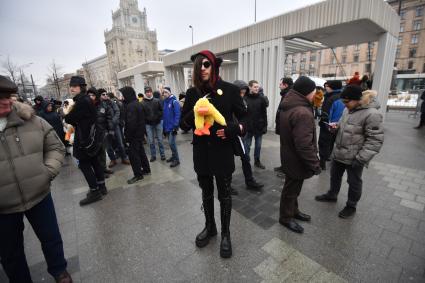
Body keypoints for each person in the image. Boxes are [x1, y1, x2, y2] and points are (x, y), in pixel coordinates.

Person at [0, 75, 72, 283]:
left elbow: (55, 147)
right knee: (10, 252)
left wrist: (46, 173)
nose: (6, 101)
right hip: (3, 208)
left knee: (51, 238)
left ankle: (60, 271)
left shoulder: (32, 120)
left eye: (8, 96)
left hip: (39, 195)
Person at [180, 50, 247, 258]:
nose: (202, 69)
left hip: (222, 151)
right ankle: (210, 227)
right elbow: (183, 123)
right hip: (201, 153)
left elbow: (249, 117)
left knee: (224, 193)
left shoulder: (229, 90)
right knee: (206, 192)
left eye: (206, 65)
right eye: (199, 65)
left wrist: (233, 129)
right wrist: (195, 109)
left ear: (214, 66)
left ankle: (226, 234)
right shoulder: (192, 93)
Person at [315, 86, 384, 218]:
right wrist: (335, 127)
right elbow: (343, 126)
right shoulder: (347, 109)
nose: (344, 105)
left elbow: (375, 140)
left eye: (347, 102)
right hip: (339, 152)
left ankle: (351, 205)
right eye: (343, 102)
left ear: (358, 99)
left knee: (354, 182)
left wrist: (361, 159)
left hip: (355, 157)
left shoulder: (372, 114)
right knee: (334, 176)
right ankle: (332, 195)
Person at [278, 76, 321, 234]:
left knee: (293, 188)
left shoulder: (290, 103)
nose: (315, 94)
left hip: (289, 155)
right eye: (314, 91)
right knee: (291, 190)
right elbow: (304, 145)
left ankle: (293, 211)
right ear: (306, 92)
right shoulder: (302, 111)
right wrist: (314, 164)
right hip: (296, 158)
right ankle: (286, 218)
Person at [65, 76, 106, 206]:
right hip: (91, 137)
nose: (72, 88)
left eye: (75, 86)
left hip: (85, 138)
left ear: (81, 87)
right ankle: (101, 187)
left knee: (84, 164)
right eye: (71, 86)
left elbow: (69, 118)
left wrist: (68, 114)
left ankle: (95, 191)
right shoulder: (87, 99)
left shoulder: (82, 101)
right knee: (94, 161)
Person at [231, 80, 264, 192]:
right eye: (240, 92)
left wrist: (243, 126)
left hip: (239, 135)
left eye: (243, 92)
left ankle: (249, 181)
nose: (242, 94)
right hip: (229, 135)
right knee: (229, 161)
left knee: (245, 158)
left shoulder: (243, 102)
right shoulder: (228, 101)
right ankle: (227, 184)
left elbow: (245, 117)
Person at [120, 86, 151, 184]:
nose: (122, 97)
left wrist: (127, 137)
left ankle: (138, 175)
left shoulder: (131, 106)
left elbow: (131, 124)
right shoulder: (137, 103)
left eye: (123, 94)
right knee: (141, 152)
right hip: (139, 133)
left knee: (133, 155)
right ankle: (146, 169)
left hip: (134, 135)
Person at [87, 87, 114, 179]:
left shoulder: (102, 105)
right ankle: (99, 172)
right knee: (96, 154)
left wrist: (110, 129)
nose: (91, 97)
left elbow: (109, 117)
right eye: (89, 95)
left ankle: (103, 168)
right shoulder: (86, 105)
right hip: (91, 135)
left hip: (102, 132)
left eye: (93, 95)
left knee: (102, 152)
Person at [318, 80, 343, 170]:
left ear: (333, 87)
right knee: (331, 142)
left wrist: (323, 122)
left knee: (324, 142)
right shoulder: (342, 96)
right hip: (338, 125)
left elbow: (326, 114)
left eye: (328, 86)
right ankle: (328, 156)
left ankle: (322, 163)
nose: (326, 87)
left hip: (328, 125)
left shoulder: (331, 98)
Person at [243, 80, 268, 169]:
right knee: (247, 146)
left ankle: (257, 161)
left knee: (258, 146)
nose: (257, 88)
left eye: (258, 87)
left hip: (259, 127)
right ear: (250, 87)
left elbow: (264, 113)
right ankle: (246, 162)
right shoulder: (245, 99)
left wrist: (265, 126)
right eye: (255, 87)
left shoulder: (261, 99)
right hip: (248, 128)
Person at [274, 77, 294, 174]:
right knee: (284, 148)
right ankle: (284, 167)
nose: (279, 86)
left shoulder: (289, 95)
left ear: (285, 85)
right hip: (283, 127)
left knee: (287, 149)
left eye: (280, 84)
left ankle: (287, 169)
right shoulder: (286, 94)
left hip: (286, 128)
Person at [105, 92, 130, 167]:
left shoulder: (113, 102)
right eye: (103, 94)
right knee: (108, 146)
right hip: (105, 128)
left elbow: (118, 112)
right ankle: (112, 159)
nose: (105, 96)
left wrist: (114, 122)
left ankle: (124, 157)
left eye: (106, 94)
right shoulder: (99, 105)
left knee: (120, 143)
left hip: (115, 125)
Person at [142, 86, 165, 162]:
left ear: (151, 92)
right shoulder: (142, 103)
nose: (148, 93)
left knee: (160, 140)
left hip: (158, 122)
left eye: (149, 92)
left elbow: (161, 111)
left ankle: (162, 155)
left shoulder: (157, 100)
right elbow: (142, 114)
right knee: (151, 141)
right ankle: (153, 155)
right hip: (148, 124)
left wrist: (158, 117)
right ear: (145, 93)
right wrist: (146, 119)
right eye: (147, 92)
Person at [162, 87, 181, 168]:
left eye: (166, 92)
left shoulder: (174, 102)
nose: (164, 94)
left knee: (171, 143)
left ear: (169, 92)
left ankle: (176, 159)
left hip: (173, 127)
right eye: (163, 93)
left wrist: (175, 126)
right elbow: (165, 116)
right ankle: (173, 156)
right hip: (167, 127)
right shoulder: (165, 102)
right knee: (170, 144)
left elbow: (177, 114)